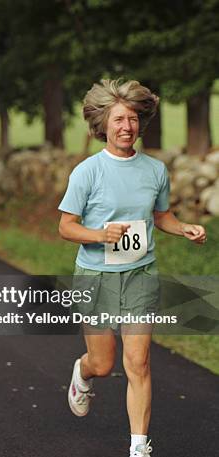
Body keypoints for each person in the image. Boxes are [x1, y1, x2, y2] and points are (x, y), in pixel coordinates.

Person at [58, 79, 207, 457]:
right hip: (95, 276)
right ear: (103, 125)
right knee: (104, 363)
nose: (127, 127)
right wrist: (99, 235)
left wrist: (183, 227)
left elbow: (160, 216)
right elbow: (65, 226)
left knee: (138, 361)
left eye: (133, 119)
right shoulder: (87, 172)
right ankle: (83, 371)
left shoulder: (155, 170)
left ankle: (139, 446)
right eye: (119, 120)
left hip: (141, 273)